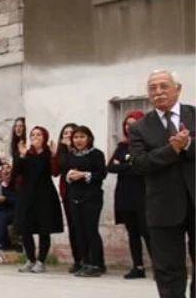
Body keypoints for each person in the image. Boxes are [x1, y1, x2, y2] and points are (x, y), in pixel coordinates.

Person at [129, 70, 196, 298]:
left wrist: (188, 143)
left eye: (164, 86)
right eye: (153, 88)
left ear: (177, 89)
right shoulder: (140, 128)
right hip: (163, 205)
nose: (158, 92)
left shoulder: (193, 114)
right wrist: (173, 150)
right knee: (169, 266)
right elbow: (139, 163)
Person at [12, 126, 64, 273]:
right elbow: (16, 172)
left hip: (45, 195)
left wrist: (55, 156)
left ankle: (41, 261)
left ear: (44, 138)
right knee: (25, 228)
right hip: (26, 194)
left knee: (44, 229)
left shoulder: (48, 154)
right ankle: (30, 259)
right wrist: (22, 156)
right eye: (33, 135)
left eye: (39, 135)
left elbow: (55, 173)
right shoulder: (26, 154)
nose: (35, 137)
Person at [108, 110, 150, 279]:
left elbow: (144, 166)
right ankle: (138, 266)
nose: (129, 127)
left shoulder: (148, 145)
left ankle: (160, 266)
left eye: (133, 123)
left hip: (143, 195)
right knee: (132, 232)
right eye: (127, 124)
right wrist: (130, 166)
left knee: (147, 232)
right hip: (125, 195)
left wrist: (124, 165)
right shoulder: (122, 146)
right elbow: (110, 167)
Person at [62, 125, 106, 277]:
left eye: (82, 137)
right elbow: (65, 173)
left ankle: (97, 264)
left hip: (92, 197)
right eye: (76, 137)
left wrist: (84, 175)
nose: (79, 140)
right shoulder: (71, 155)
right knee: (79, 231)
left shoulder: (96, 154)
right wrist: (70, 175)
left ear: (89, 138)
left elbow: (101, 174)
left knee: (90, 230)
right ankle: (85, 262)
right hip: (75, 196)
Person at [53, 122, 82, 273]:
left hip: (82, 193)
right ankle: (77, 260)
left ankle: (89, 259)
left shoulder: (80, 152)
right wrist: (54, 155)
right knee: (72, 227)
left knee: (83, 227)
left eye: (71, 133)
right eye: (65, 133)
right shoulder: (61, 153)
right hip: (66, 192)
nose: (68, 136)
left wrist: (71, 149)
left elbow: (73, 165)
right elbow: (56, 171)